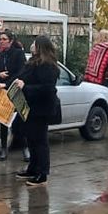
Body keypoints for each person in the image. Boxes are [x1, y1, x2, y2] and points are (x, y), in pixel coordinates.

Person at [13, 35, 62, 187]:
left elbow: (47, 89)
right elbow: (21, 77)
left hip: (41, 108)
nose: (32, 46)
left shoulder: (48, 65)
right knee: (31, 139)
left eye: (35, 43)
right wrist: (8, 84)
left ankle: (42, 174)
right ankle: (33, 168)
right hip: (29, 107)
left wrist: (25, 87)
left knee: (40, 141)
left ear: (40, 47)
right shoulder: (32, 62)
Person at [0, 29, 27, 161]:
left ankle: (25, 148)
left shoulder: (18, 54)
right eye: (0, 39)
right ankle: (4, 149)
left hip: (16, 90)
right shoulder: (0, 55)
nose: (1, 41)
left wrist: (7, 83)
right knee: (3, 121)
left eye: (4, 39)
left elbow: (21, 72)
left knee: (20, 121)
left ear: (10, 41)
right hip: (3, 92)